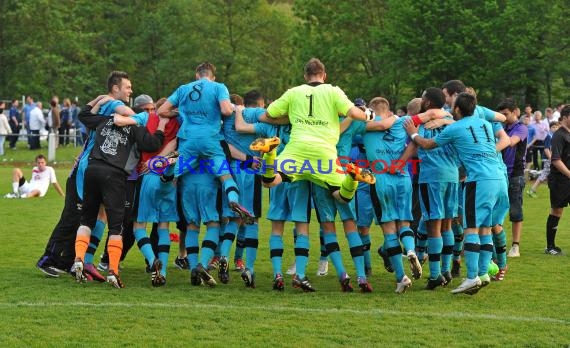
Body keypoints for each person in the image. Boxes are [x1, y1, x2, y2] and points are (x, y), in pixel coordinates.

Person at [250, 58, 375, 291]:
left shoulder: (293, 92)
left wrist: (288, 118)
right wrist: (368, 115)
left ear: (305, 76)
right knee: (343, 195)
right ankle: (352, 177)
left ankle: (269, 155)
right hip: (325, 156)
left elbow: (266, 114)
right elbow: (353, 113)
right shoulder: (333, 91)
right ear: (324, 75)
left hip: (296, 150)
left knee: (272, 180)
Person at [405, 92, 506, 295]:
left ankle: (448, 276)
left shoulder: (450, 126)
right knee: (475, 226)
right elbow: (500, 124)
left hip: (461, 179)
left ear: (458, 109)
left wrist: (414, 133)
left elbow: (426, 144)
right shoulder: (483, 124)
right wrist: (444, 119)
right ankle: (480, 273)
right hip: (494, 177)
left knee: (455, 226)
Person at [72, 94, 168, 289]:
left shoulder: (105, 120)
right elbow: (153, 144)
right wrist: (161, 129)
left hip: (92, 169)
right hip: (114, 176)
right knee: (116, 227)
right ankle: (113, 271)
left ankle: (79, 259)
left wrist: (98, 100)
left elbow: (83, 115)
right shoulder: (136, 128)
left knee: (86, 220)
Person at [497, 98, 528, 258]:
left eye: (506, 114)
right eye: (500, 115)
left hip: (515, 175)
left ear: (515, 112)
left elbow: (510, 142)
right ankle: (498, 244)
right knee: (497, 210)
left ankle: (515, 246)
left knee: (515, 210)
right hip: (499, 174)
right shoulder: (501, 127)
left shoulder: (521, 128)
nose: (503, 117)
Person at [544, 105, 570, 255]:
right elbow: (556, 160)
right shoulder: (559, 135)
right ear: (565, 117)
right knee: (557, 211)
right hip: (559, 180)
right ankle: (550, 246)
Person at [527, 122, 561, 197]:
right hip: (548, 159)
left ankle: (555, 190)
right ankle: (532, 190)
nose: (555, 129)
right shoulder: (549, 136)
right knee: (544, 174)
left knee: (552, 174)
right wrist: (552, 159)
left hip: (552, 158)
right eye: (554, 127)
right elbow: (546, 149)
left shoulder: (554, 136)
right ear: (550, 128)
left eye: (557, 127)